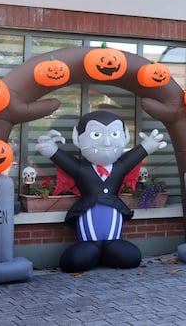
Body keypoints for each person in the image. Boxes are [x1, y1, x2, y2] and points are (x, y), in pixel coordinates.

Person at [35, 110, 165, 272]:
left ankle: (111, 247)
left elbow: (134, 157)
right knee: (76, 260)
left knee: (130, 257)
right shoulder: (81, 170)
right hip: (88, 212)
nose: (106, 142)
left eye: (114, 134)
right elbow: (65, 161)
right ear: (77, 138)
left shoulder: (119, 168)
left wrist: (147, 146)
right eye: (96, 135)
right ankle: (92, 247)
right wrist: (52, 150)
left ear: (125, 137)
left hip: (113, 216)